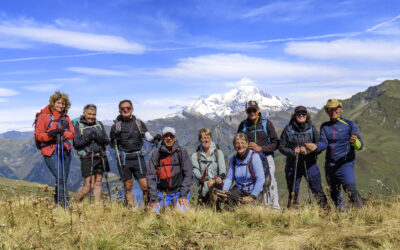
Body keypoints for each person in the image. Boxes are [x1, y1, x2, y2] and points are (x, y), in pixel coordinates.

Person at [305, 99, 363, 209]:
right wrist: (316, 147)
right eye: (330, 109)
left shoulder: (350, 125)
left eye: (335, 108)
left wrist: (355, 142)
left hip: (345, 165)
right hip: (330, 166)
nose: (333, 111)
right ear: (327, 111)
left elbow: (360, 146)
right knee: (334, 194)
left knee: (351, 191)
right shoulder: (325, 126)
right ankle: (341, 218)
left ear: (340, 109)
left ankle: (362, 216)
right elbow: (324, 143)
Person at [109, 100, 161, 208]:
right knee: (128, 186)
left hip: (138, 158)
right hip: (124, 160)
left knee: (145, 186)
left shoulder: (139, 123)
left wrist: (155, 139)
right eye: (123, 108)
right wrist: (115, 137)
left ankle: (146, 208)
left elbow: (148, 137)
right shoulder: (115, 127)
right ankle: (131, 209)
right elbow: (112, 145)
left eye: (128, 108)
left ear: (132, 109)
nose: (126, 110)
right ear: (119, 110)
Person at [279, 106, 327, 208]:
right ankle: (293, 213)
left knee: (317, 189)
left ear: (307, 115)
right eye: (298, 114)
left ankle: (325, 211)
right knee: (293, 192)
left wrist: (308, 151)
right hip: (293, 164)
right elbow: (281, 146)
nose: (301, 115)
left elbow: (319, 145)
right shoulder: (288, 129)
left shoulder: (312, 128)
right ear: (295, 116)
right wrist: (292, 152)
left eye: (303, 114)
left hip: (310, 164)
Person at [34, 91, 75, 206]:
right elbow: (38, 135)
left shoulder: (66, 117)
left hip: (64, 150)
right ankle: (66, 205)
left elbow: (72, 134)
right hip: (50, 151)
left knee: (62, 180)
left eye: (63, 104)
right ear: (53, 103)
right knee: (61, 178)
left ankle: (58, 202)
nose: (61, 106)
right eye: (59, 103)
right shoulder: (43, 116)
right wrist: (49, 135)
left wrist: (62, 132)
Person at [237, 100, 280, 209]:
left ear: (258, 110)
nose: (252, 113)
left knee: (269, 181)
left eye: (254, 110)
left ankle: (274, 208)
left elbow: (276, 143)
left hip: (266, 157)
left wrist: (261, 148)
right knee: (253, 182)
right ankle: (258, 208)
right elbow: (238, 143)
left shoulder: (266, 123)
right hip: (250, 160)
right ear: (246, 112)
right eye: (249, 111)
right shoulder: (243, 125)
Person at [147, 127, 193, 212]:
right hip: (162, 193)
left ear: (175, 138)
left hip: (179, 192)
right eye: (166, 136)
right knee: (154, 214)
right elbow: (150, 177)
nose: (169, 138)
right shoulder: (156, 154)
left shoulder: (182, 152)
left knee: (182, 213)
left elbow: (188, 175)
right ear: (162, 138)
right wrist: (153, 199)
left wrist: (183, 196)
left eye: (171, 136)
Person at [72, 104, 110, 204]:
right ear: (84, 114)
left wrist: (99, 137)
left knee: (98, 183)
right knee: (89, 185)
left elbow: (106, 140)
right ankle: (75, 202)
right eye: (89, 114)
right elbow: (76, 144)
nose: (92, 116)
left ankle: (96, 207)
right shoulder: (78, 125)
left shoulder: (99, 124)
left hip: (100, 156)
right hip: (87, 157)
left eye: (94, 114)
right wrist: (88, 138)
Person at [222, 133, 265, 205]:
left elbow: (260, 179)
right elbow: (229, 178)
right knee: (229, 201)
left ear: (247, 144)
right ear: (234, 145)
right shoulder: (233, 160)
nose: (240, 145)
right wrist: (224, 191)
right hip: (239, 189)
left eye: (243, 143)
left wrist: (252, 196)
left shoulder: (254, 157)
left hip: (254, 191)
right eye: (237, 143)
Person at [191, 128, 226, 206]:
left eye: (208, 137)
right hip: (204, 189)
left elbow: (223, 170)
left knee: (212, 184)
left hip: (217, 185)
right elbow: (195, 170)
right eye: (203, 138)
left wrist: (219, 178)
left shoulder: (218, 153)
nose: (206, 140)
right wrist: (201, 177)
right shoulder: (195, 156)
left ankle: (216, 206)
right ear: (200, 140)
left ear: (211, 138)